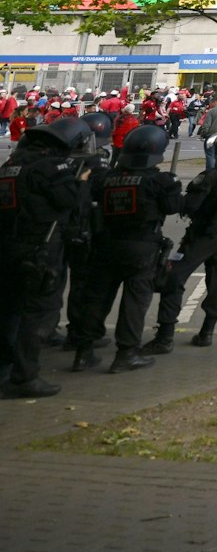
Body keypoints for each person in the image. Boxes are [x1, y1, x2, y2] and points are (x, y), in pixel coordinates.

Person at [69, 124, 183, 373]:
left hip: (105, 244)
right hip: (142, 247)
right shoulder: (160, 181)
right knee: (135, 301)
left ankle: (83, 351)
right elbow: (173, 207)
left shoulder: (104, 178)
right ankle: (126, 353)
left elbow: (85, 199)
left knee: (96, 298)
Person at [0, 115, 95, 398]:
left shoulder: (11, 165)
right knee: (40, 311)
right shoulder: (50, 166)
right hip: (39, 247)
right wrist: (82, 181)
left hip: (8, 245)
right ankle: (25, 377)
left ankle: (5, 369)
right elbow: (69, 200)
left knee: (9, 309)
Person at [145, 126, 217, 353]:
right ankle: (207, 331)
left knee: (173, 278)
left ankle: (164, 337)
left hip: (204, 233)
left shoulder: (212, 176)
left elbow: (189, 206)